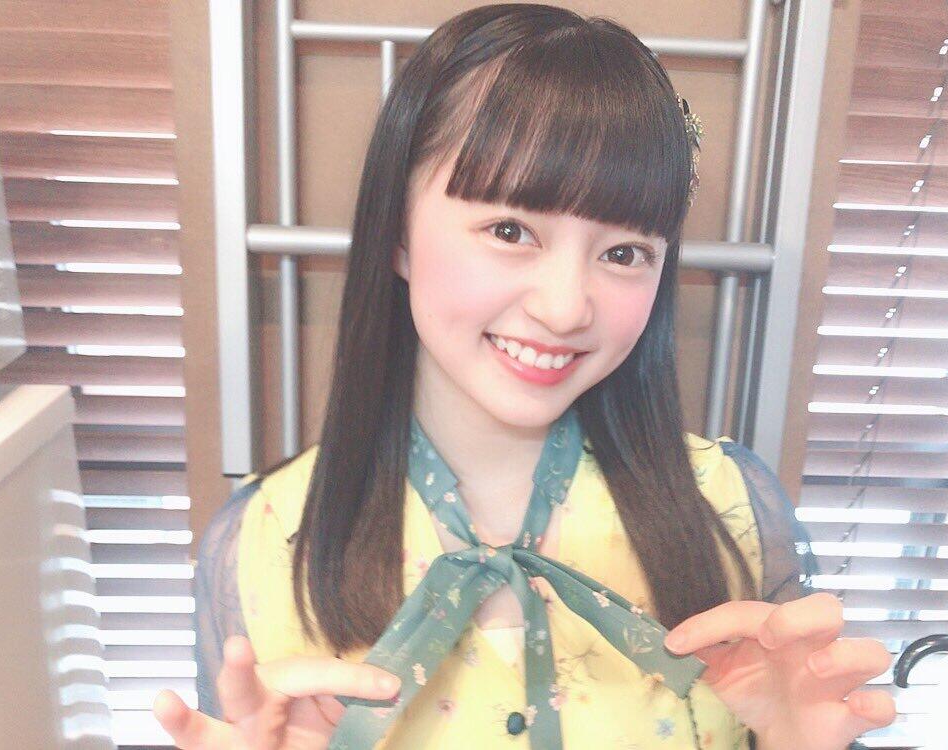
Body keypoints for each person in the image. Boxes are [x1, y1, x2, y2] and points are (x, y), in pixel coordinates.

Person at [153, 4, 897, 748]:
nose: (565, 309)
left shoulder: (732, 510)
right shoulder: (262, 543)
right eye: (510, 231)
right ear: (398, 233)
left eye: (624, 253)